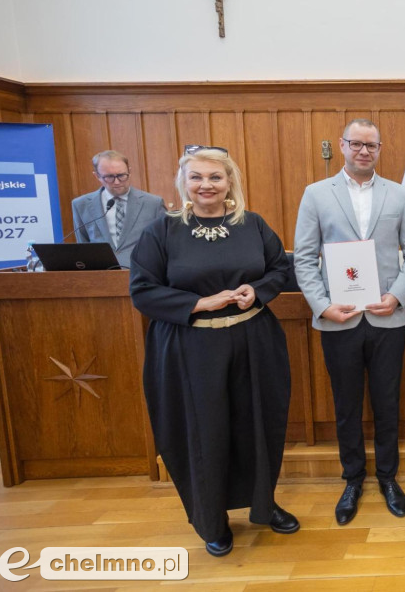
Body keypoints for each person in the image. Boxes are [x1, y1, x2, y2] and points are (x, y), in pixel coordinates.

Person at [129, 146, 298, 557]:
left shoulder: (252, 224)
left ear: (230, 183)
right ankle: (212, 520)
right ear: (183, 183)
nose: (206, 185)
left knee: (257, 424)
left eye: (215, 177)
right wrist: (199, 303)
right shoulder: (162, 231)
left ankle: (264, 504)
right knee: (204, 433)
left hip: (252, 341)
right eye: (197, 177)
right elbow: (143, 289)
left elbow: (281, 268)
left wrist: (255, 291)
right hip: (191, 349)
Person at [293, 119, 405, 526]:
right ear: (343, 146)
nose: (364, 151)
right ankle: (352, 479)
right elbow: (304, 257)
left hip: (387, 317)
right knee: (347, 406)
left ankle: (388, 478)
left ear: (380, 149)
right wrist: (322, 305)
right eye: (357, 144)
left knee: (387, 403)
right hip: (339, 319)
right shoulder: (316, 194)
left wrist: (397, 294)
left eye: (372, 145)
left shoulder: (399, 194)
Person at [71, 150, 166, 267]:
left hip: (142, 273)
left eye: (121, 175)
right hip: (101, 274)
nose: (117, 182)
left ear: (129, 172)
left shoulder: (153, 203)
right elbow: (83, 246)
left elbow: (165, 244)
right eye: (109, 177)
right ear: (97, 176)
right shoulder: (81, 205)